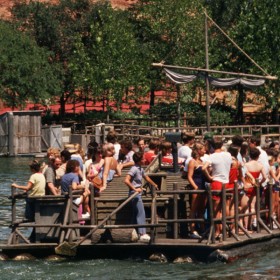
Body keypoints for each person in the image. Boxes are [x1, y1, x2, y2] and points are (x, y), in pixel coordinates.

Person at [124, 152, 158, 242]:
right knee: (141, 213)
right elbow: (126, 180)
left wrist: (154, 184)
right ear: (139, 160)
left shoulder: (140, 169)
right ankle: (142, 233)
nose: (144, 160)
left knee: (135, 214)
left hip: (138, 193)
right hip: (134, 195)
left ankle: (131, 232)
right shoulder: (134, 169)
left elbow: (146, 177)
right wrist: (135, 189)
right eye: (143, 159)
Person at [202, 137, 232, 238]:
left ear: (211, 146)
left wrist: (209, 177)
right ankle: (226, 229)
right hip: (226, 182)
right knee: (225, 207)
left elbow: (203, 168)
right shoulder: (228, 155)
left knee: (215, 209)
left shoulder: (212, 156)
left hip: (217, 182)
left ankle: (217, 231)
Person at [187, 143, 208, 238]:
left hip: (203, 186)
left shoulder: (202, 161)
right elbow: (189, 176)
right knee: (194, 209)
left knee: (202, 209)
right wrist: (195, 187)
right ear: (198, 150)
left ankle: (202, 229)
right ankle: (192, 230)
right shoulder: (192, 162)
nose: (205, 151)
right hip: (196, 185)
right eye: (203, 149)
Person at [245, 147, 266, 230]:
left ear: (250, 155)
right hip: (255, 186)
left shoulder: (246, 165)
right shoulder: (260, 166)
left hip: (248, 185)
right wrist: (259, 183)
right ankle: (251, 225)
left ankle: (245, 226)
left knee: (246, 207)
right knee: (253, 206)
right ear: (258, 156)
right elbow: (265, 177)